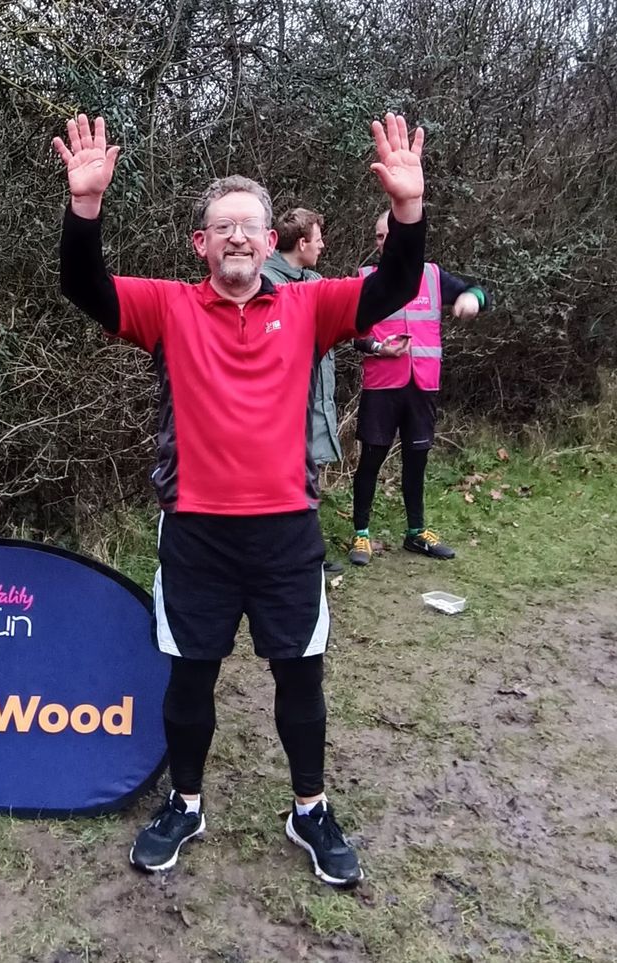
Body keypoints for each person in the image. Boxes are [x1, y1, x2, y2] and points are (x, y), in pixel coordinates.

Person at [53, 112, 426, 887]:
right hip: (195, 533)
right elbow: (82, 286)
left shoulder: (311, 305)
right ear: (201, 244)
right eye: (221, 226)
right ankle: (184, 803)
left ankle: (310, 808)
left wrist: (408, 211)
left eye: (249, 227)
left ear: (266, 242)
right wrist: (84, 208)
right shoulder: (168, 307)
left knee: (301, 677)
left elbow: (391, 286)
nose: (236, 237)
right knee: (191, 678)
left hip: (287, 532)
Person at [347, 212, 491, 566]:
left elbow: (477, 291)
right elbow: (352, 334)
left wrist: (473, 300)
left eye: (387, 236)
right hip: (382, 386)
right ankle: (361, 534)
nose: (382, 244)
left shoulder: (432, 275)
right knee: (371, 460)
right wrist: (378, 348)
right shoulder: (365, 279)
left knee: (417, 461)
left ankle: (416, 533)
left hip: (422, 386)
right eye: (377, 237)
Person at [261, 209, 343, 573]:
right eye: (318, 238)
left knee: (310, 480)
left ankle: (307, 555)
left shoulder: (314, 281)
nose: (323, 244)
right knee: (279, 484)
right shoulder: (264, 281)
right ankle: (282, 558)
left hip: (316, 404)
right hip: (280, 411)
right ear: (302, 242)